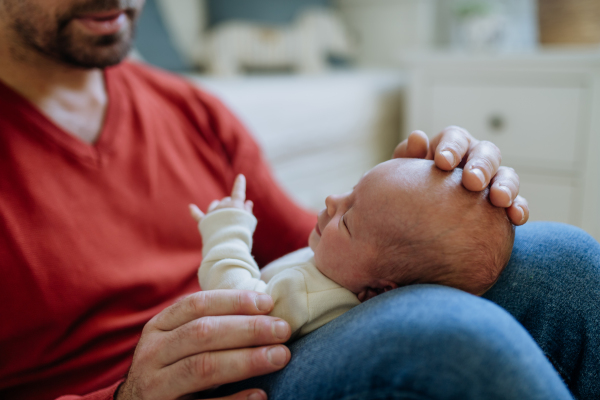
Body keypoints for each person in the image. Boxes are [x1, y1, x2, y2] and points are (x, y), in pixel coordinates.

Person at [0, 0, 597, 399]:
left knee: (565, 261)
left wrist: (412, 202)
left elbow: (316, 250)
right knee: (449, 335)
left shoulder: (189, 110)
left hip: (261, 353)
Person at [192, 159, 514, 339]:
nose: (332, 200)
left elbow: (236, 302)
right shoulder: (343, 268)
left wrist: (226, 233)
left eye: (347, 221)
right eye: (352, 190)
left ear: (376, 293)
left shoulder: (306, 295)